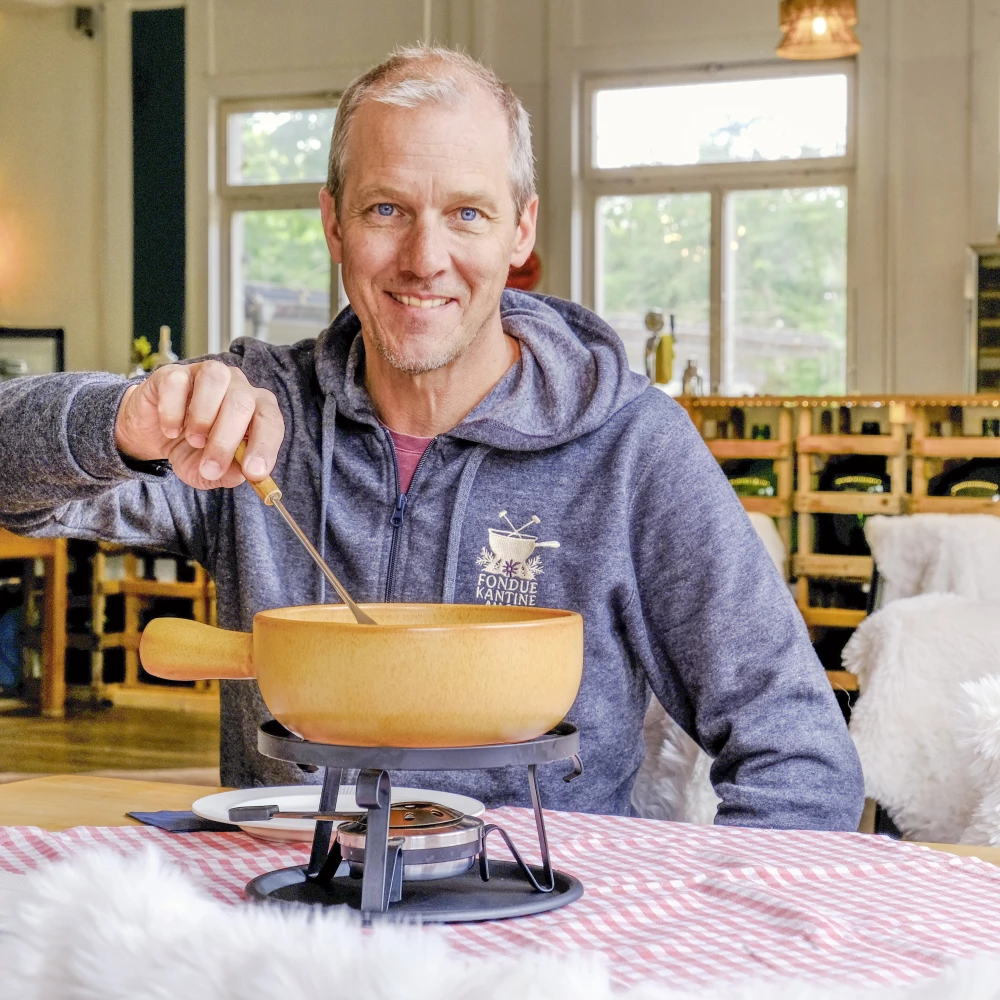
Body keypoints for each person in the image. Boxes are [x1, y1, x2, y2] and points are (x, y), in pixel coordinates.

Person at [0, 46, 863, 827]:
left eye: (467, 214)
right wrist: (124, 418)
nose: (424, 258)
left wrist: (674, 928)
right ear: (333, 224)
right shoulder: (258, 417)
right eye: (386, 209)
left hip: (546, 928)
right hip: (288, 919)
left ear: (520, 229)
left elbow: (801, 759)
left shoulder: (633, 447)